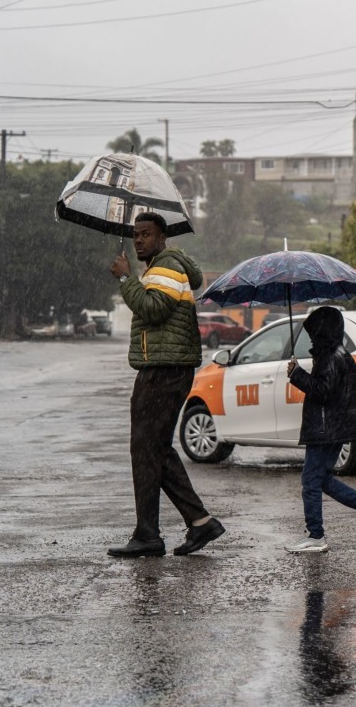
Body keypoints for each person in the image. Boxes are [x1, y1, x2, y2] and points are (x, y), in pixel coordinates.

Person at [107, 212, 225, 558]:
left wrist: (125, 278)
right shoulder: (162, 267)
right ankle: (198, 522)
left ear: (162, 237)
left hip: (164, 370)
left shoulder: (167, 267)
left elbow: (153, 309)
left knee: (146, 449)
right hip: (165, 368)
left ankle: (150, 534)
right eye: (136, 235)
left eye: (146, 234)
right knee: (154, 450)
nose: (139, 240)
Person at [286, 306, 356, 553]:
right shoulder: (334, 353)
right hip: (331, 427)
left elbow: (323, 391)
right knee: (320, 479)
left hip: (326, 429)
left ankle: (316, 535)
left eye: (314, 332)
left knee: (311, 481)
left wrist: (296, 374)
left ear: (323, 331)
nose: (311, 338)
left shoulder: (331, 356)